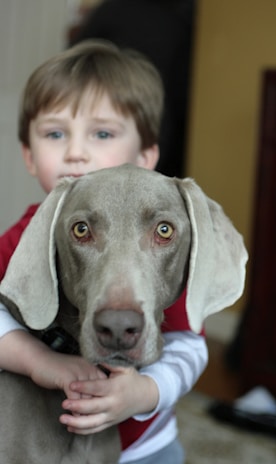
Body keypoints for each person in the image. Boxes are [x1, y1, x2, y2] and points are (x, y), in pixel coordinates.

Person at [0, 39, 207, 463]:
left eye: (102, 133)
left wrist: (147, 392)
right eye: (55, 133)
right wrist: (37, 359)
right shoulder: (22, 236)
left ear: (146, 155)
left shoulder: (175, 231)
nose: (76, 152)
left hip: (144, 444)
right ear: (29, 155)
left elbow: (190, 344)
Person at [69, 0, 197, 179]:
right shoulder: (112, 11)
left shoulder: (190, 18)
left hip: (164, 117)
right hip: (135, 112)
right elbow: (75, 68)